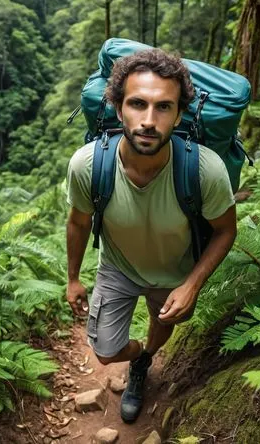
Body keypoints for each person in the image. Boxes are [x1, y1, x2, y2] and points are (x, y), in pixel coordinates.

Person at [65, 48, 237, 423]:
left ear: (179, 114)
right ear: (116, 106)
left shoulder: (204, 170)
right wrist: (74, 278)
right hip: (118, 268)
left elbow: (225, 230)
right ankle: (137, 352)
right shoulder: (89, 164)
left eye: (163, 107)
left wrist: (192, 284)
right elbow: (78, 221)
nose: (148, 120)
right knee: (107, 351)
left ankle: (142, 365)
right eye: (137, 104)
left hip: (175, 271)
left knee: (164, 325)